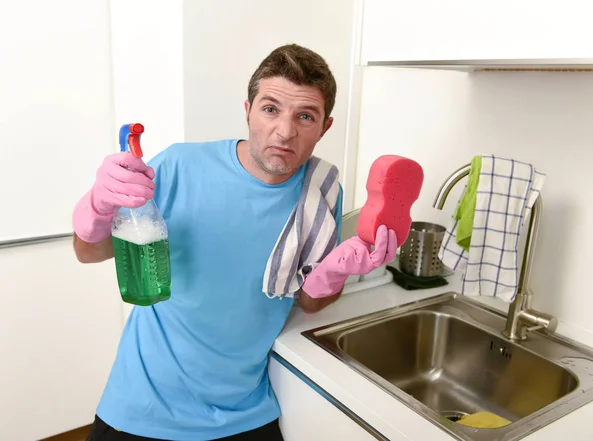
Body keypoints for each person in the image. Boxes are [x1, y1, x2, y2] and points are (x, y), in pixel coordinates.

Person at [73, 44, 397, 441]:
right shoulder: (177, 167)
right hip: (145, 406)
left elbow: (310, 302)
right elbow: (88, 252)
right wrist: (98, 205)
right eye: (270, 109)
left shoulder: (322, 191)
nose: (285, 131)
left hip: (245, 411)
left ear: (324, 127)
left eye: (305, 116)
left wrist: (333, 274)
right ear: (248, 111)